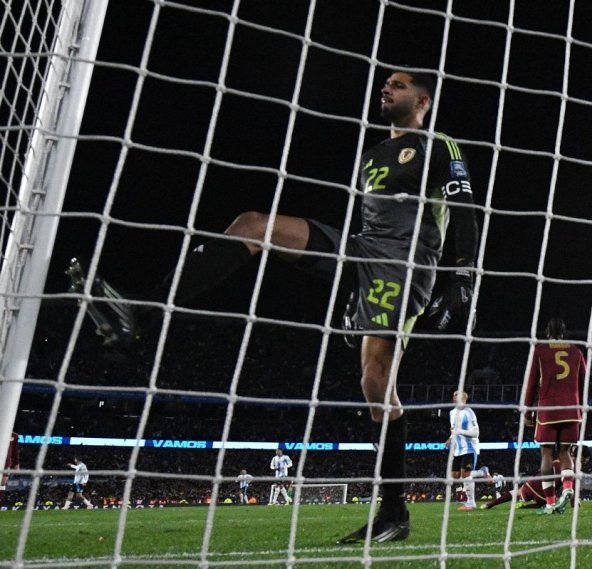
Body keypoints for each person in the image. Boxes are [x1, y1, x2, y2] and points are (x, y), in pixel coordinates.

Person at [68, 68, 478, 543]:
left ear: (423, 100)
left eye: (399, 85)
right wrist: (355, 289)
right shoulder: (371, 156)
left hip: (404, 267)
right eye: (385, 83)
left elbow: (464, 208)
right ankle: (140, 311)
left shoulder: (438, 144)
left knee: (375, 381)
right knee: (252, 225)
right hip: (362, 253)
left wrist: (462, 279)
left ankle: (394, 512)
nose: (386, 88)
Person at [523, 317, 587, 515]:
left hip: (548, 408)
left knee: (546, 454)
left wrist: (526, 409)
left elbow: (531, 381)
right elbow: (584, 382)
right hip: (571, 408)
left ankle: (550, 502)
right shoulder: (576, 351)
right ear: (564, 332)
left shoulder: (540, 350)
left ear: (547, 332)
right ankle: (567, 486)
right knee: (565, 452)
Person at [447, 390, 488, 510]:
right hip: (458, 449)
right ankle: (482, 472)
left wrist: (458, 432)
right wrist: (450, 438)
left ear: (465, 398)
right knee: (454, 476)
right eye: (454, 395)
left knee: (466, 475)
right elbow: (454, 429)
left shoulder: (469, 413)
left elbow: (476, 433)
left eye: (458, 396)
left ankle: (471, 503)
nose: (455, 397)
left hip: (470, 448)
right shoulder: (452, 413)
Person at [0, 432, 19, 501]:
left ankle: (0, 498)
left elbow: (15, 451)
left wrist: (16, 463)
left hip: (6, 463)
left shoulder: (14, 436)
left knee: (3, 481)